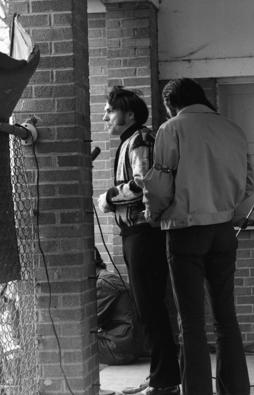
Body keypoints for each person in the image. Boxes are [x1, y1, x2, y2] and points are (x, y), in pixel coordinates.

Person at [143, 78, 254, 395]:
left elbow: (160, 187)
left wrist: (153, 215)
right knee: (226, 318)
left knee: (191, 323)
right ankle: (235, 390)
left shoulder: (172, 129)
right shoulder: (233, 130)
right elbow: (248, 185)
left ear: (170, 104)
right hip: (223, 231)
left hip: (185, 232)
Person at [98, 86, 181, 395]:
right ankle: (162, 376)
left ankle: (165, 381)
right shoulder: (131, 140)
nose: (104, 115)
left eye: (110, 110)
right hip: (137, 234)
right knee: (150, 308)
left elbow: (143, 182)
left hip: (144, 235)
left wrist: (108, 196)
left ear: (129, 114)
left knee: (151, 308)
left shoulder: (140, 139)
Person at [95, 246, 145, 365]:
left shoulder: (103, 282)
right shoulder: (108, 277)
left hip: (119, 347)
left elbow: (92, 321)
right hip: (129, 345)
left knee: (72, 339)